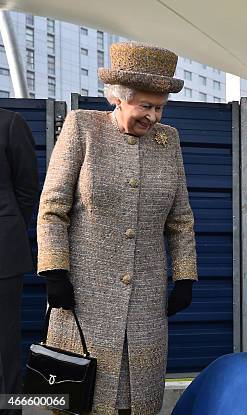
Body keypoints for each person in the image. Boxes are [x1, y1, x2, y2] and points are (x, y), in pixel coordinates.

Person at [37, 42, 197, 414]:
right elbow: (52, 207)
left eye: (160, 107)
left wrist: (185, 276)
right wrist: (55, 271)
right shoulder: (83, 127)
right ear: (119, 99)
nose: (154, 116)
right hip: (83, 292)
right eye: (145, 106)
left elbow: (181, 219)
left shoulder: (167, 140)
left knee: (138, 397)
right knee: (78, 396)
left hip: (146, 294)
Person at [0, 108, 38, 413]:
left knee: (4, 349)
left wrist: (7, 232)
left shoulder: (10, 123)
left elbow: (27, 191)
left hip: (2, 257)